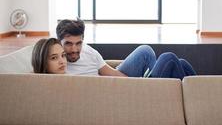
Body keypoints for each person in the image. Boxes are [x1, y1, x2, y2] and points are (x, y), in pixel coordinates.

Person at [54, 19, 196, 79]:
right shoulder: (56, 63)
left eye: (78, 43)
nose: (74, 49)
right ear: (59, 42)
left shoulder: (88, 51)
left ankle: (154, 81)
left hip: (117, 85)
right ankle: (193, 98)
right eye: (68, 44)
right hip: (108, 93)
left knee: (179, 62)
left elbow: (113, 74)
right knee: (169, 58)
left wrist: (137, 85)